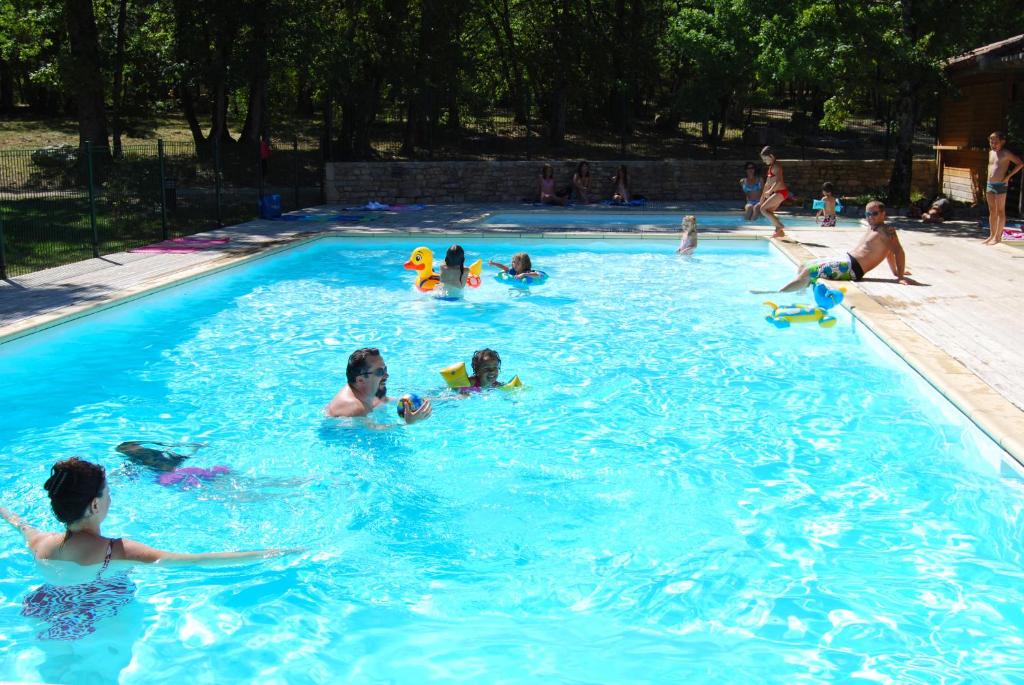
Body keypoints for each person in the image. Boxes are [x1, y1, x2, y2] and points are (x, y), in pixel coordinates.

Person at [752, 200, 913, 292]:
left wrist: (900, 276)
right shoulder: (874, 228)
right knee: (804, 265)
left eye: (874, 213)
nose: (870, 217)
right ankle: (798, 291)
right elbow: (888, 253)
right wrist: (895, 271)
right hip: (847, 260)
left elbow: (898, 252)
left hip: (852, 268)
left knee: (809, 271)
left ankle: (777, 293)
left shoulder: (887, 231)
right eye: (868, 214)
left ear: (884, 214)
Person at [325, 347, 432, 422]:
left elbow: (383, 400)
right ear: (360, 380)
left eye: (385, 369)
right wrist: (409, 423)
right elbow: (374, 432)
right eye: (380, 372)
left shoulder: (365, 388)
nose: (387, 375)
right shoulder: (355, 408)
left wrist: (431, 400)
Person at [983, 131, 1022, 245]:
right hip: (989, 184)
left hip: (1001, 185)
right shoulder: (991, 152)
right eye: (991, 141)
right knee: (991, 210)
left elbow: (1020, 163)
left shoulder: (1006, 153)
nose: (993, 144)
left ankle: (997, 237)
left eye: (996, 142)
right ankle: (991, 235)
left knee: (1000, 210)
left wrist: (1008, 177)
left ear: (1002, 142)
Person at [758, 146, 791, 238]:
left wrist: (770, 191)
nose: (764, 161)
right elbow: (767, 183)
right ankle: (779, 231)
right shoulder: (771, 167)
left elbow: (779, 181)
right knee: (768, 211)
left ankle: (780, 226)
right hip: (778, 192)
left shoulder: (777, 166)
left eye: (765, 159)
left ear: (771, 156)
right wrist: (762, 197)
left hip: (781, 192)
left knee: (763, 209)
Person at [115, 441, 205, 472]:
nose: (138, 446)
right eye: (134, 445)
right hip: (167, 466)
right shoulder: (143, 454)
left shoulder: (136, 456)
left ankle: (195, 448)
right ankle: (196, 447)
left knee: (183, 457)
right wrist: (168, 468)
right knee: (183, 457)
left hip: (165, 464)